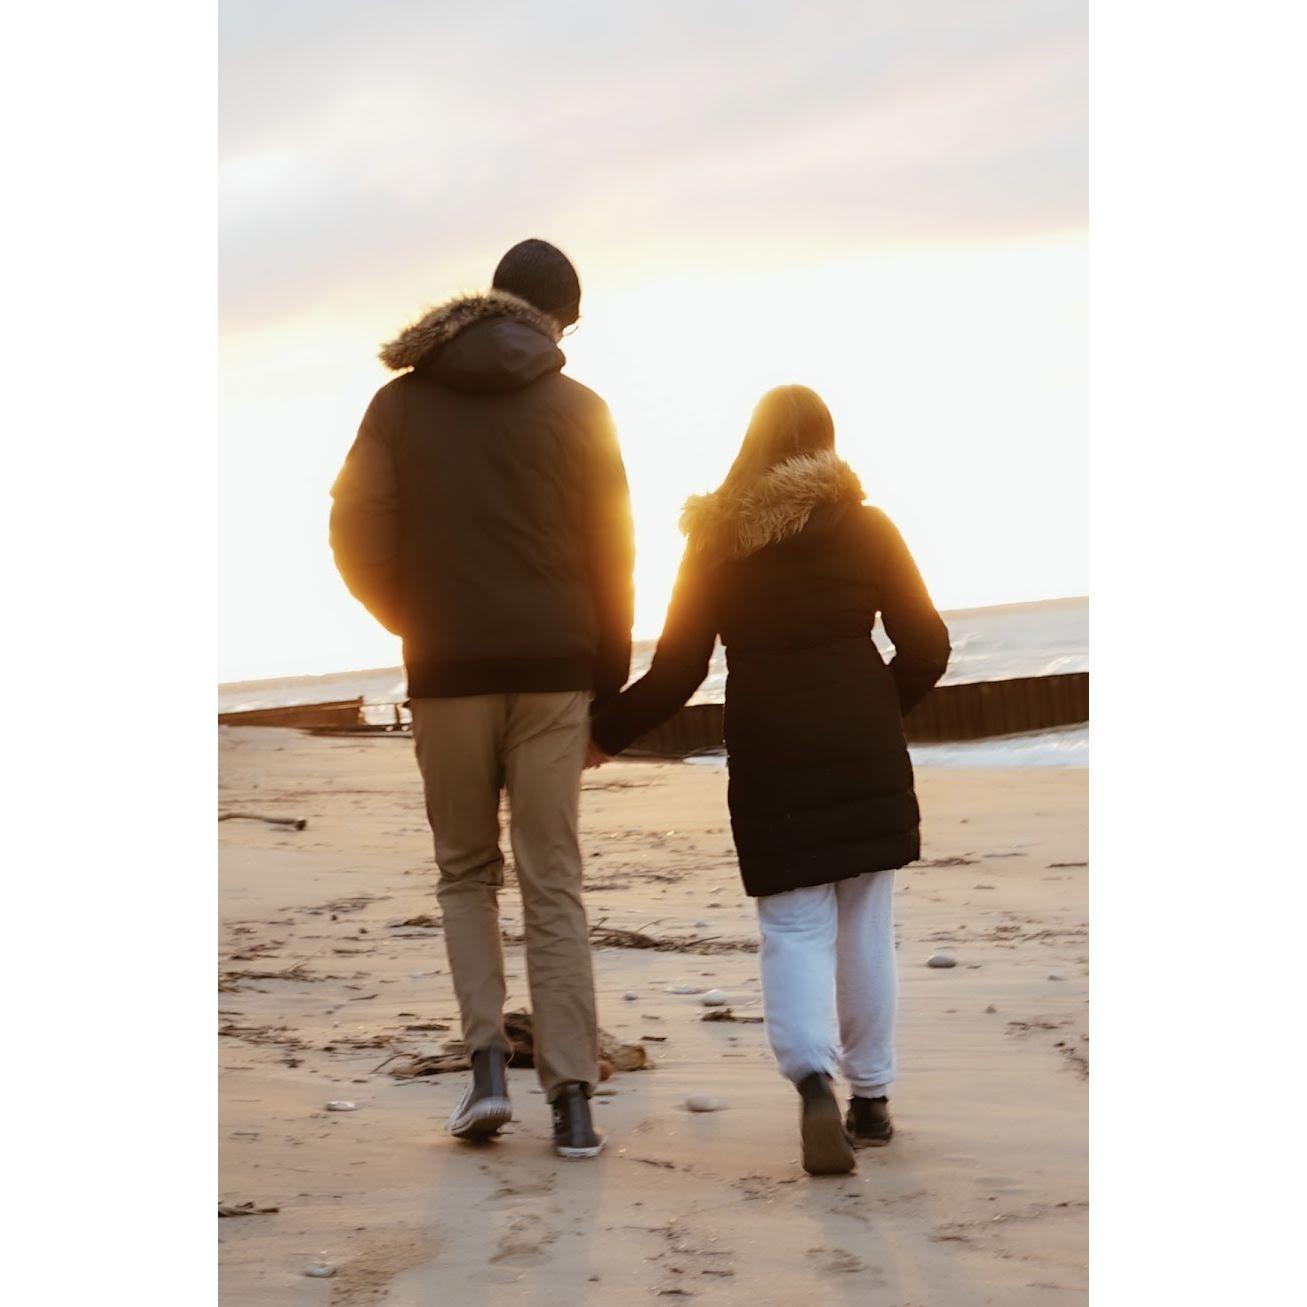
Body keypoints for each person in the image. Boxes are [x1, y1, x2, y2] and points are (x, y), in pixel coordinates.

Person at [590, 385, 949, 1175]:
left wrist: (601, 733)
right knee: (865, 926)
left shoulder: (714, 541)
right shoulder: (867, 527)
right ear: (825, 443)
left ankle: (813, 1080)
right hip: (862, 747)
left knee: (792, 927)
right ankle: (871, 1099)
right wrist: (872, 709)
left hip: (769, 752)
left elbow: (678, 669)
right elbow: (927, 645)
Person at [330, 239, 634, 1158]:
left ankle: (488, 1072)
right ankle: (573, 1102)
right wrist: (606, 682)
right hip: (554, 672)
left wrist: (418, 619)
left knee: (466, 873)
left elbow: (350, 530)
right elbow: (614, 554)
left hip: (447, 669)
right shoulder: (580, 407)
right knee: (553, 881)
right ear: (557, 321)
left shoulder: (398, 404)